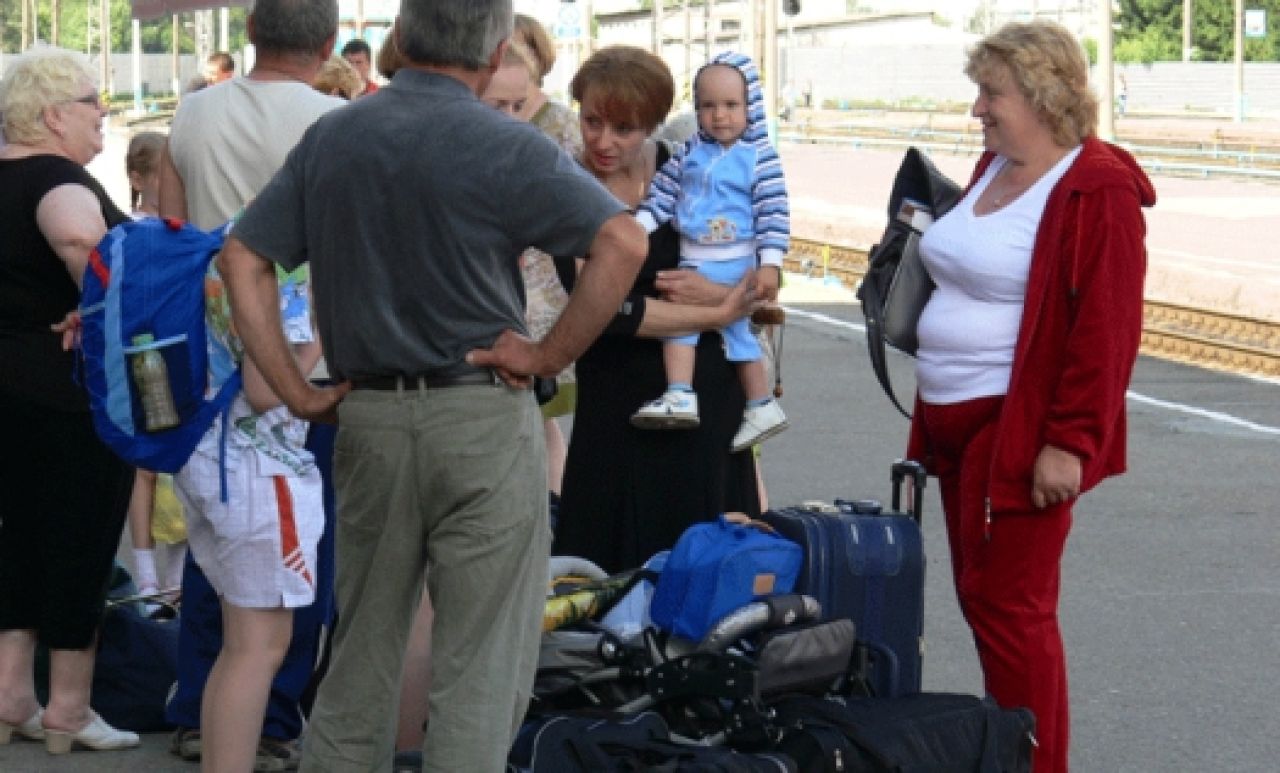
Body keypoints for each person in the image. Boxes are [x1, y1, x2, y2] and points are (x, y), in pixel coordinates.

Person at [216, 2, 647, 771]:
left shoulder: (335, 137)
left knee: (360, 652)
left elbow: (243, 254)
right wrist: (548, 354)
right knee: (480, 661)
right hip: (481, 414)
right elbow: (623, 238)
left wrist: (292, 385)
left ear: (402, 43)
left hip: (369, 413)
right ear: (492, 54)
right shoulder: (506, 144)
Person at [905, 21, 1154, 773]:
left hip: (1017, 432)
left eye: (992, 93)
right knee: (984, 607)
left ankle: (1039, 765)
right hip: (953, 423)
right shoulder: (994, 166)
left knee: (1014, 613)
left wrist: (1071, 442)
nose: (978, 109)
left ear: (1043, 96)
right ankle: (1008, 753)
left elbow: (1106, 331)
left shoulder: (1095, 188)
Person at [157, 0, 345, 769]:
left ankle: (200, 704)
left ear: (251, 37)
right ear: (329, 44)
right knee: (290, 576)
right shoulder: (334, 120)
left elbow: (169, 231)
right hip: (296, 362)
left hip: (210, 361)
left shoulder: (192, 115)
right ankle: (267, 718)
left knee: (218, 567)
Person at [553, 45, 760, 574]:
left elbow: (756, 274)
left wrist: (717, 295)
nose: (603, 141)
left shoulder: (694, 170)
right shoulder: (565, 192)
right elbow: (605, 313)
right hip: (615, 409)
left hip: (706, 398)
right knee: (608, 571)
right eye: (593, 121)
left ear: (654, 123)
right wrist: (715, 311)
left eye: (625, 128)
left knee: (709, 568)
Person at [0, 44, 139, 755]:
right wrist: (101, 298)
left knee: (17, 540)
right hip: (68, 394)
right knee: (80, 542)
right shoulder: (59, 177)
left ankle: (11, 694)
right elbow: (81, 235)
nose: (102, 116)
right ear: (53, 114)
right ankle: (69, 709)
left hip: (8, 391)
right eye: (93, 102)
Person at [633, 51, 790, 454]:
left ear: (750, 105)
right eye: (708, 106)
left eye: (731, 105)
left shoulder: (760, 158)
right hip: (694, 254)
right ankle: (706, 396)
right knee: (696, 323)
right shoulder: (688, 154)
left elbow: (774, 214)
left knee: (721, 329)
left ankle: (738, 399)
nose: (719, 115)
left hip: (738, 258)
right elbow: (662, 198)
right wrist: (637, 230)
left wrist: (770, 264)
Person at [513, 13, 581, 156]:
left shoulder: (564, 121)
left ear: (538, 55)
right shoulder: (482, 108)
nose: (504, 56)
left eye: (515, 50)